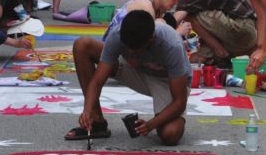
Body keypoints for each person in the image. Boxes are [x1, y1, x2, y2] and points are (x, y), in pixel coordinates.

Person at [66, 9, 191, 146]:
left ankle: (162, 121)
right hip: (135, 71)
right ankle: (96, 122)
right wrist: (87, 110)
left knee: (170, 134)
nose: (131, 53)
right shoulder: (119, 35)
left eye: (137, 50)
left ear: (151, 39)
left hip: (166, 81)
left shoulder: (171, 45)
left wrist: (150, 124)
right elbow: (97, 81)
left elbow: (180, 102)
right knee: (82, 45)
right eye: (128, 48)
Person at [175, 0, 257, 65]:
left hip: (243, 30)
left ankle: (221, 53)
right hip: (248, 33)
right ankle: (213, 55)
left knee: (189, 15)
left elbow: (175, 20)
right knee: (195, 59)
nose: (174, 2)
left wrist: (172, 32)